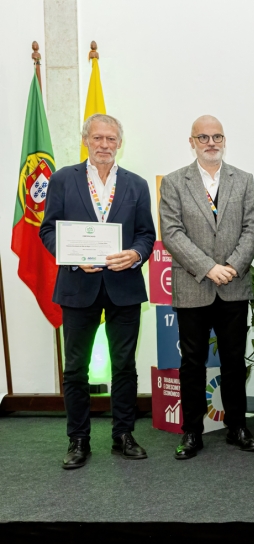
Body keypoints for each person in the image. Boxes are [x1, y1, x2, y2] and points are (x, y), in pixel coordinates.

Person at [40, 113, 156, 469]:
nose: (104, 145)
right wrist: (72, 257)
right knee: (76, 368)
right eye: (97, 138)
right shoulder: (63, 179)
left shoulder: (136, 184)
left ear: (119, 143)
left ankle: (123, 435)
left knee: (124, 366)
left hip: (124, 287)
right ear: (86, 140)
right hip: (78, 286)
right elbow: (48, 230)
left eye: (111, 139)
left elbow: (146, 234)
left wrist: (136, 254)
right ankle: (78, 439)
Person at [159, 115, 254, 460]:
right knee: (192, 363)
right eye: (203, 137)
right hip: (193, 286)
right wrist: (209, 268)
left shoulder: (243, 180)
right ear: (192, 142)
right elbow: (172, 233)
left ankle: (237, 426)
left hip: (233, 285)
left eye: (217, 136)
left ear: (224, 140)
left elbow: (253, 229)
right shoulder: (175, 182)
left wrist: (232, 266)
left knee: (234, 361)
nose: (211, 143)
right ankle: (192, 431)